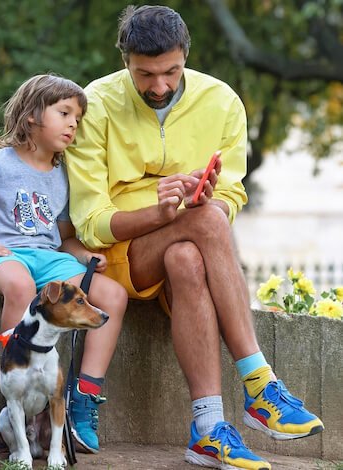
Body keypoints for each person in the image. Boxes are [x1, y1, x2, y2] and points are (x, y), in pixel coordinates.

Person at [65, 5, 323, 470]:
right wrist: (159, 212)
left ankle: (207, 429)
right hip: (117, 258)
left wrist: (209, 201)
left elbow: (232, 194)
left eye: (171, 71)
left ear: (186, 56)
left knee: (189, 250)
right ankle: (260, 382)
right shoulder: (96, 103)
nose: (159, 86)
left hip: (189, 254)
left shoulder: (221, 101)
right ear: (125, 61)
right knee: (202, 226)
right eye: (145, 74)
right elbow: (90, 222)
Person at [0, 74, 128, 454]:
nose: (73, 124)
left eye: (78, 118)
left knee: (112, 295)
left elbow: (64, 235)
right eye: (65, 112)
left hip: (49, 259)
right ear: (32, 115)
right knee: (20, 286)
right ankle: (18, 399)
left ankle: (83, 395)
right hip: (3, 258)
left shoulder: (64, 174)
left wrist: (84, 257)